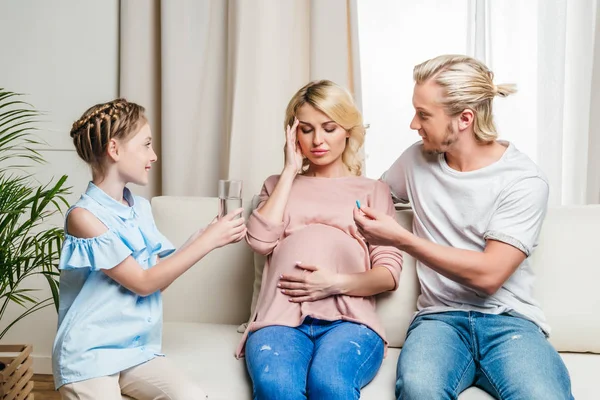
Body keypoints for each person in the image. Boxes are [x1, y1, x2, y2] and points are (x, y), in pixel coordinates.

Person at [353, 54, 573, 399]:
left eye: (424, 114)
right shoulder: (414, 161)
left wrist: (403, 239)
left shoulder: (523, 180)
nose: (413, 124)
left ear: (464, 119)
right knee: (418, 390)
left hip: (509, 321)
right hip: (439, 320)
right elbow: (366, 197)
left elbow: (489, 275)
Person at [52, 98, 246, 399]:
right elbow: (142, 284)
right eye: (146, 144)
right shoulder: (83, 218)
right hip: (89, 356)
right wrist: (208, 243)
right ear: (114, 149)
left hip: (136, 350)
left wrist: (203, 235)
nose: (153, 156)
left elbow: (156, 279)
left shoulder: (139, 208)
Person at [237, 80, 404, 400]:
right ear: (293, 134)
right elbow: (259, 241)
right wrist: (289, 171)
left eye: (329, 128)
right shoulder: (276, 185)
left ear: (347, 131)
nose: (318, 140)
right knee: (277, 389)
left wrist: (333, 283)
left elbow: (388, 274)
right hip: (278, 322)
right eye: (307, 129)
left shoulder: (372, 190)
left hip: (350, 323)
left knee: (330, 385)